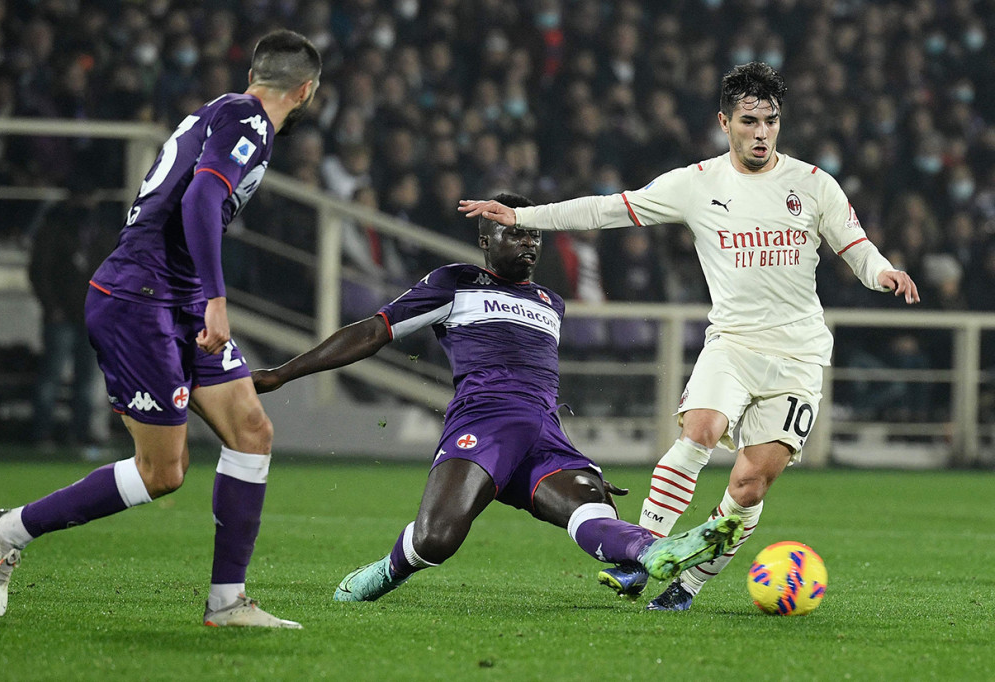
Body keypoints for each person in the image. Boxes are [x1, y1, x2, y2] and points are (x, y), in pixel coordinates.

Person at [459, 63, 920, 612]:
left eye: (771, 121)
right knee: (700, 429)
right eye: (749, 121)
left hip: (798, 355)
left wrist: (883, 272)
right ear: (724, 122)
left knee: (749, 485)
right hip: (732, 343)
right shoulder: (695, 184)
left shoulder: (813, 184)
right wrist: (520, 213)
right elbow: (608, 210)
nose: (762, 133)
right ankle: (637, 558)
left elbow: (856, 245)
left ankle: (690, 585)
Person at [0, 30, 322, 628]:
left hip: (172, 296)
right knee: (163, 472)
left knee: (251, 430)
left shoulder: (221, 110)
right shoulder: (250, 122)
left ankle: (227, 602)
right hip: (142, 298)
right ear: (307, 91)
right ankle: (6, 531)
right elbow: (199, 202)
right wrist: (217, 298)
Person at [251, 192, 742, 603]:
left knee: (592, 511)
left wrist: (568, 450)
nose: (529, 243)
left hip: (545, 433)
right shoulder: (456, 283)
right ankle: (387, 569)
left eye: (534, 235)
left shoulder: (553, 302)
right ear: (486, 240)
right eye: (516, 233)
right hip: (483, 424)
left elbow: (537, 383)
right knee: (436, 541)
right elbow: (372, 331)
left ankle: (654, 552)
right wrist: (283, 373)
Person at [28, 179, 117, 447]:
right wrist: (51, 307)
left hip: (90, 318)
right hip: (61, 317)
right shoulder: (54, 230)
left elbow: (113, 273)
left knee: (86, 381)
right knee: (52, 378)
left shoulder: (100, 233)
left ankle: (79, 436)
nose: (85, 205)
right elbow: (38, 271)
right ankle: (41, 434)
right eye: (81, 198)